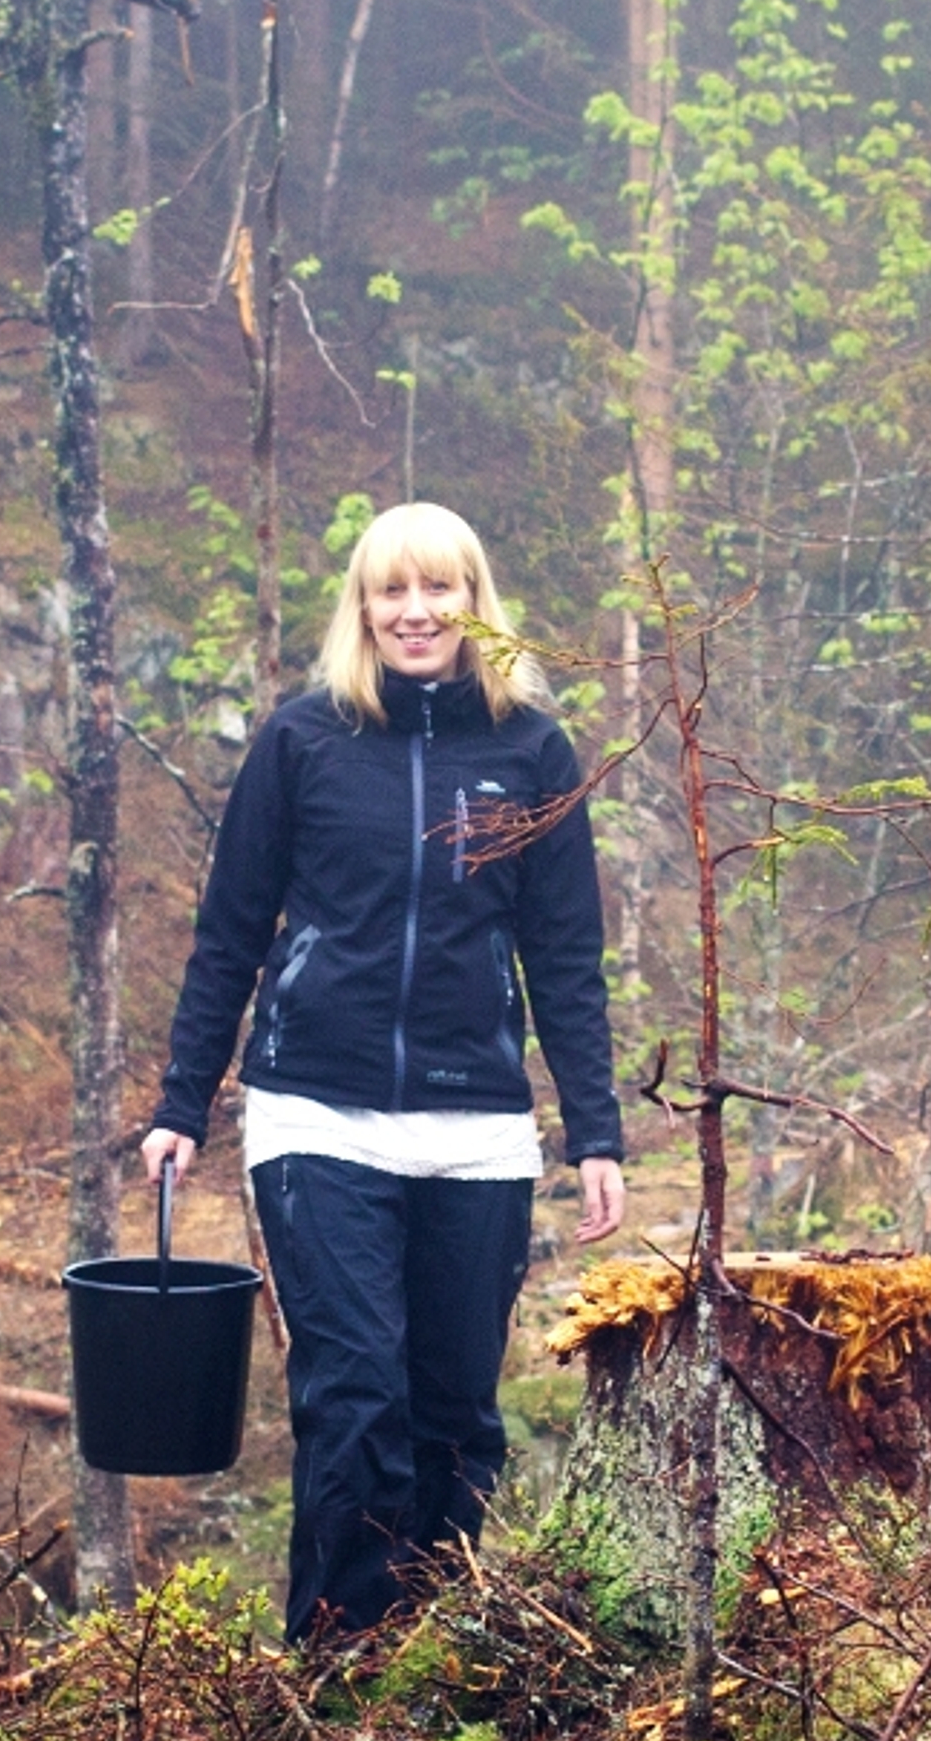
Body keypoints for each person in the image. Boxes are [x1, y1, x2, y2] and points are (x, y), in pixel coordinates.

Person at [143, 502, 627, 1644]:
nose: (415, 612)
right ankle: (340, 1660)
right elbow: (230, 930)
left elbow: (563, 956)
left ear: (474, 603)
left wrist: (594, 1131)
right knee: (357, 1396)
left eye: (439, 590)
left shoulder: (532, 753)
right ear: (362, 608)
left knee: (457, 1411)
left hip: (478, 1130)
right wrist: (182, 1101)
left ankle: (437, 1652)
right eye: (391, 592)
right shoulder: (304, 740)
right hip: (318, 1112)